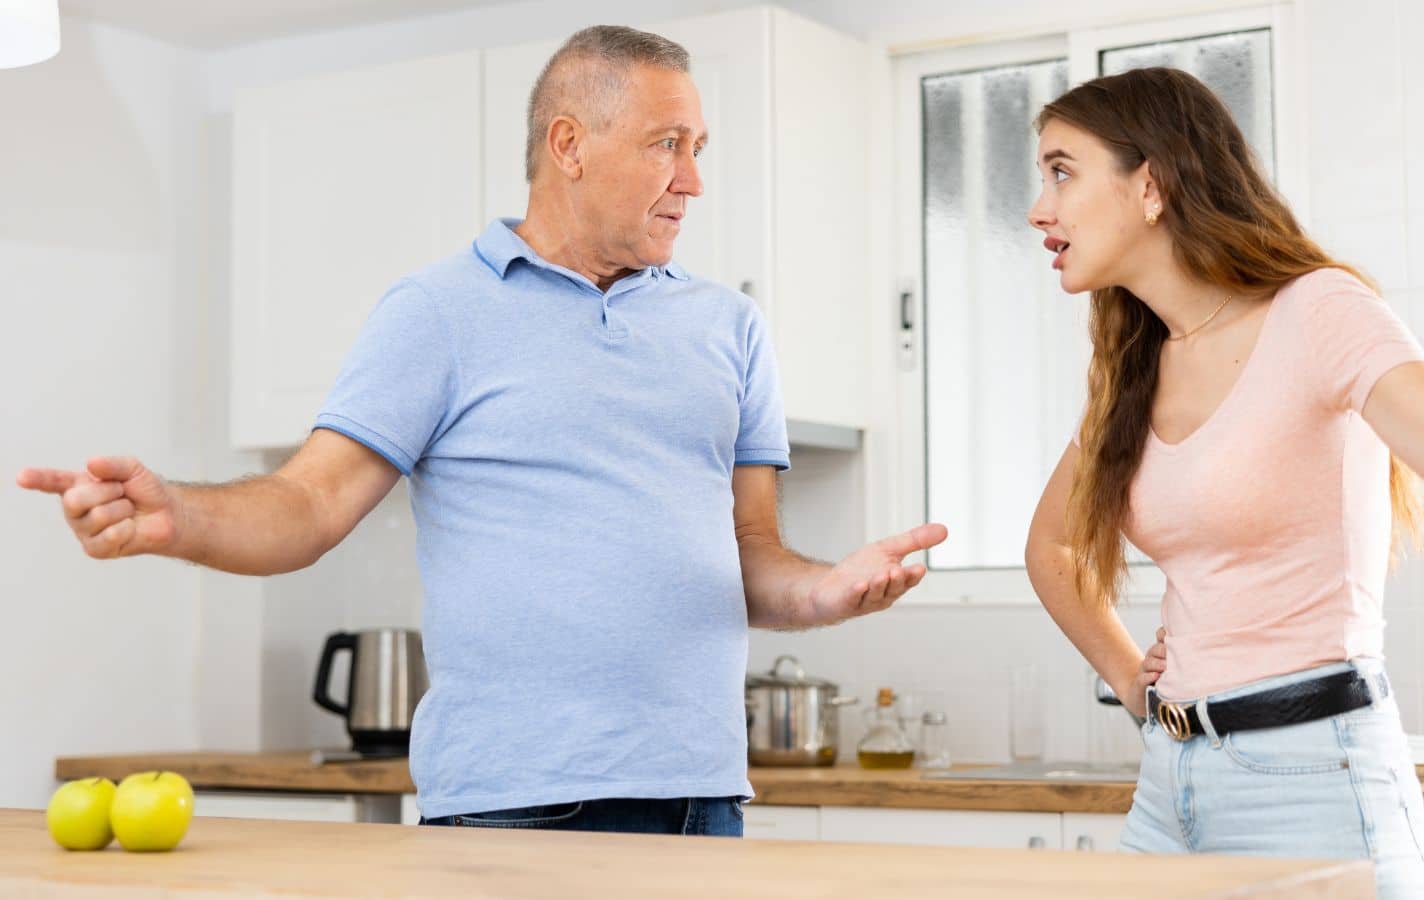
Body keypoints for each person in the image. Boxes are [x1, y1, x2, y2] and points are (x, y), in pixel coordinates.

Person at [16, 25, 946, 838]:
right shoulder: (439, 312)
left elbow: (748, 551)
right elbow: (309, 501)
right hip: (518, 801)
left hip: (703, 796)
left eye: (700, 146)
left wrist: (825, 591)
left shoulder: (729, 327)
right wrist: (175, 514)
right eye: (669, 144)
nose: (695, 180)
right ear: (570, 143)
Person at [1019, 67, 1424, 896]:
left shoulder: (1319, 310)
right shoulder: (1134, 364)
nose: (1040, 207)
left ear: (1151, 185)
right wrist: (1129, 677)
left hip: (1315, 779)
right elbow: (1053, 544)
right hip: (1169, 787)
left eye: (1062, 171)